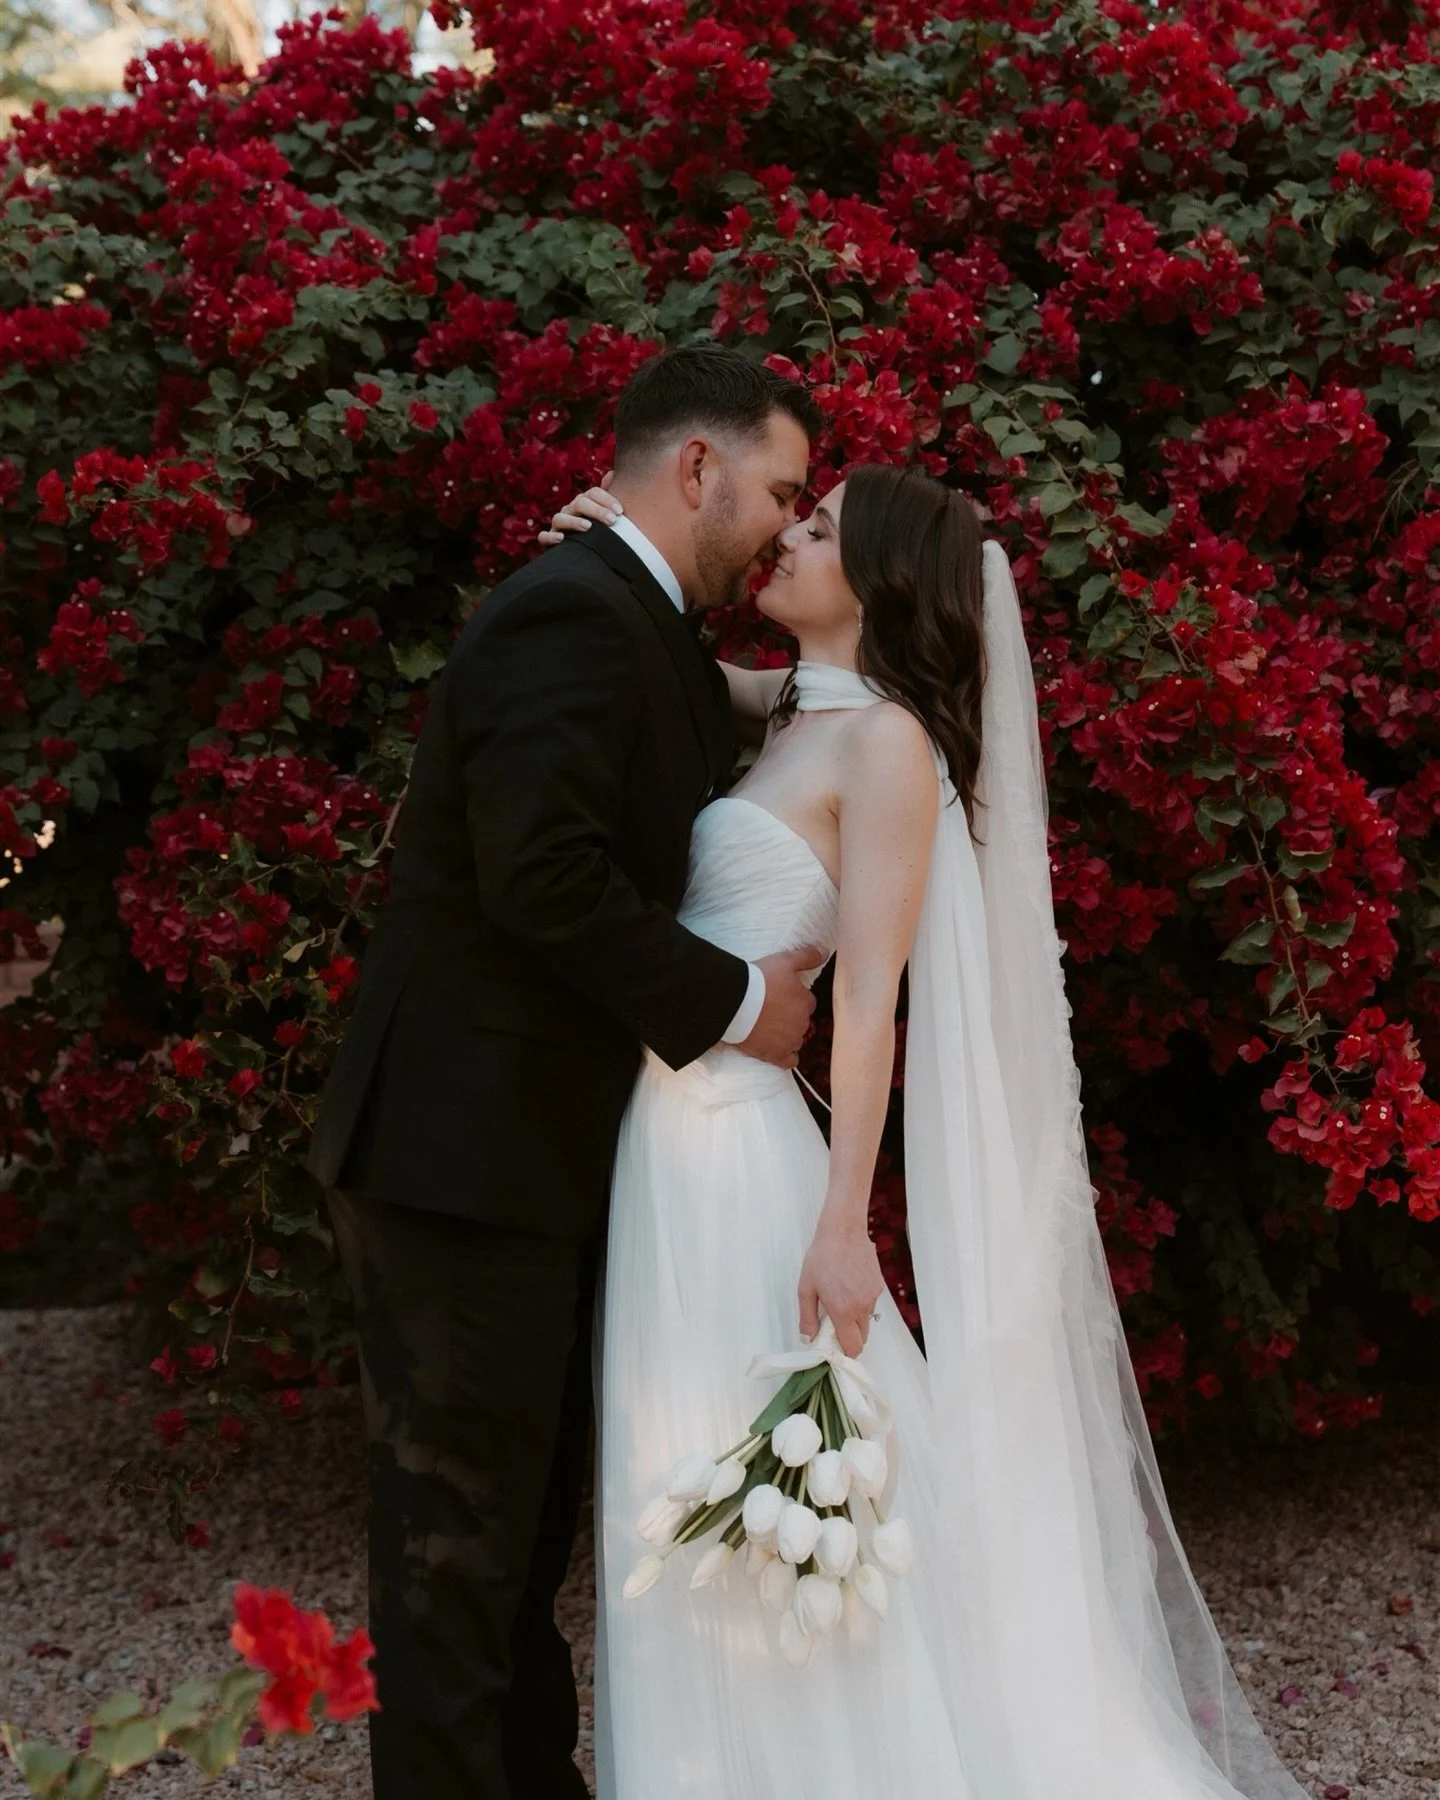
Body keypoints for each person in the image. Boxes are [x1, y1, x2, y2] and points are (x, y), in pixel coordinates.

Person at [545, 467, 1314, 1800]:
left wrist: (844, 1226)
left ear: (886, 581)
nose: (786, 536)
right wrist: (600, 552)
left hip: (742, 1159)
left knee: (772, 1499)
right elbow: (660, 640)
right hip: (665, 1144)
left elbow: (872, 1008)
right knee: (698, 1491)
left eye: (823, 529)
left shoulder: (887, 743)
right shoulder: (795, 707)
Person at [305, 343, 826, 1800]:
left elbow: (762, 709)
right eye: (780, 491)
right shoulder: (574, 616)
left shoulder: (629, 611)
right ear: (697, 467)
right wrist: (738, 1003)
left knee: (516, 1553)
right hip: (457, 1160)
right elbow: (540, 879)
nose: (788, 525)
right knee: (454, 1568)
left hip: (517, 1155)